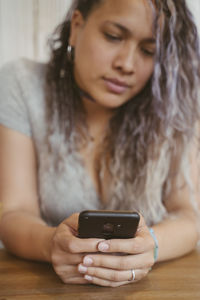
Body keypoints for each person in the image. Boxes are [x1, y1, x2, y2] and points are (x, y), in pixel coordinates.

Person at [0, 0, 200, 287]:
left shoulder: (173, 107)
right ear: (77, 27)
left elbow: (188, 216)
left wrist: (151, 246)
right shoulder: (21, 85)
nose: (126, 64)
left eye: (148, 51)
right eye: (113, 36)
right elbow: (15, 212)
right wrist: (51, 244)